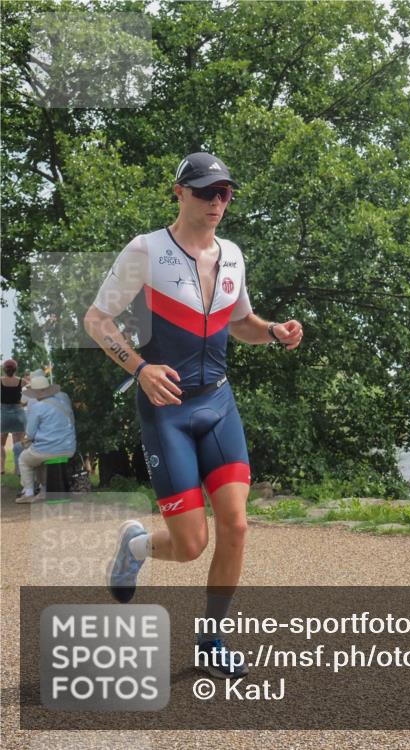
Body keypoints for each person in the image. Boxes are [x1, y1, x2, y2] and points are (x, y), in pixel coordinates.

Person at [83, 152, 303, 679]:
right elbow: (96, 319)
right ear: (179, 192)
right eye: (206, 192)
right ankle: (137, 544)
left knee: (236, 526)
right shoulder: (146, 250)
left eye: (224, 193)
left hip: (219, 403)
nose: (216, 202)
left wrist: (273, 331)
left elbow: (240, 322)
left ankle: (210, 640)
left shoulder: (233, 255)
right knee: (190, 545)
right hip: (167, 409)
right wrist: (139, 369)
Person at [15, 371, 76, 503]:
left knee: (24, 459)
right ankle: (44, 491)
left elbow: (30, 434)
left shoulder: (38, 407)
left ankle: (29, 493)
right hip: (69, 447)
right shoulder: (62, 402)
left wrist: (26, 440)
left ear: (36, 393)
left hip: (48, 449)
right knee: (39, 457)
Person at [1, 358, 28, 474]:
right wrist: (24, 403)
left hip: (3, 413)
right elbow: (33, 391)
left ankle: (1, 468)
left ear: (4, 369)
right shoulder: (22, 381)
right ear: (15, 369)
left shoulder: (0, 380)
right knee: (19, 443)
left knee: (1, 443)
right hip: (19, 413)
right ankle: (18, 470)